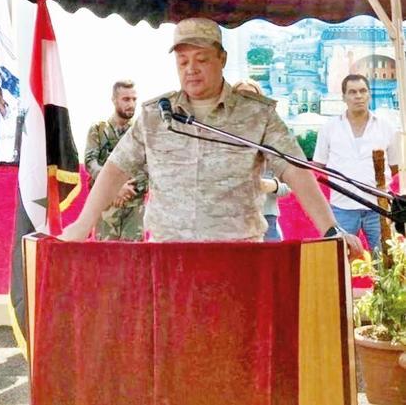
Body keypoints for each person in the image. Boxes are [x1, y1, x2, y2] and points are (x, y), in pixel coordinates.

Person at [60, 17, 364, 260]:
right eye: (183, 62)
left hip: (237, 255)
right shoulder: (157, 115)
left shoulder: (256, 115)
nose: (191, 69)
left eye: (201, 59)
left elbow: (295, 170)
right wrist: (82, 225)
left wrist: (329, 229)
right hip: (169, 255)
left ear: (222, 59)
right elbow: (115, 168)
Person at [313, 74, 400, 256]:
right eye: (352, 92)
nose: (358, 96)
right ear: (344, 97)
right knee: (338, 262)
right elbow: (319, 165)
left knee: (385, 263)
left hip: (378, 207)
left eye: (362, 91)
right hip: (342, 207)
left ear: (369, 95)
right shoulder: (329, 128)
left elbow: (394, 167)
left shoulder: (386, 127)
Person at [84, 80, 149, 241]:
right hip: (106, 204)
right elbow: (90, 162)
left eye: (134, 99)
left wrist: (128, 188)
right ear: (114, 100)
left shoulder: (141, 132)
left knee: (134, 260)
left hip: (133, 207)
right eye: (126, 99)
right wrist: (114, 187)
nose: (131, 104)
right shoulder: (98, 130)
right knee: (105, 260)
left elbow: (149, 167)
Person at [232, 79, 291, 241]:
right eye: (241, 96)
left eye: (252, 96)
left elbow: (289, 186)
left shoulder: (273, 135)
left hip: (266, 219)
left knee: (272, 266)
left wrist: (270, 185)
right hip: (230, 220)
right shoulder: (221, 134)